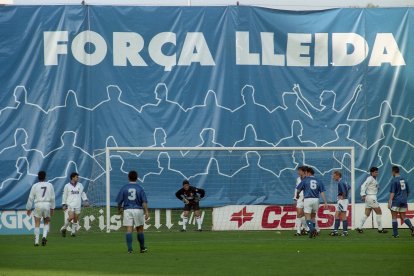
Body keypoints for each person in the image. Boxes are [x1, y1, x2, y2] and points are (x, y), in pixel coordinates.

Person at [116, 170, 149, 253]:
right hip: (138, 209)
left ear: (128, 177)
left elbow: (119, 201)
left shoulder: (124, 188)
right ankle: (142, 248)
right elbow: (144, 202)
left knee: (129, 229)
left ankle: (130, 249)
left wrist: (119, 209)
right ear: (137, 178)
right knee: (140, 229)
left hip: (127, 210)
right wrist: (147, 212)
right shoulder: (140, 188)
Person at [296, 167, 327, 238]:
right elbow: (322, 192)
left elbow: (298, 189)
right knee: (313, 217)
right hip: (316, 199)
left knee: (307, 217)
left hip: (307, 199)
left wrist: (297, 195)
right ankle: (313, 231)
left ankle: (312, 230)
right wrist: (325, 202)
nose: (305, 174)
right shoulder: (318, 180)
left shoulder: (305, 180)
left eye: (306, 173)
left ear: (309, 173)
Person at [26, 171, 55, 246]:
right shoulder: (50, 185)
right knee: (46, 222)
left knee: (37, 223)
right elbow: (53, 198)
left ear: (38, 177)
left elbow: (30, 198)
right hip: (47, 204)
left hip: (38, 204)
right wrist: (52, 208)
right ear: (45, 177)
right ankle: (44, 236)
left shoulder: (35, 186)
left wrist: (28, 208)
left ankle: (36, 241)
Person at [356, 167, 388, 234]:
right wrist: (362, 195)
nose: (377, 173)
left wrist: (377, 187)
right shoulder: (370, 178)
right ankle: (380, 229)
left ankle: (359, 227)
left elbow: (371, 187)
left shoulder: (374, 179)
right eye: (375, 172)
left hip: (369, 197)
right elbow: (363, 186)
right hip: (371, 197)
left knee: (366, 214)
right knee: (379, 212)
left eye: (377, 172)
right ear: (372, 172)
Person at [60, 172, 89, 237]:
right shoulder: (67, 186)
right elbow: (64, 195)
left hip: (78, 204)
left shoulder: (80, 185)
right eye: (76, 177)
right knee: (71, 217)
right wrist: (64, 204)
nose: (77, 178)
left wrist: (85, 200)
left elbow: (82, 193)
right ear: (73, 178)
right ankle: (64, 228)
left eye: (77, 177)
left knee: (76, 218)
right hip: (70, 204)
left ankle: (73, 232)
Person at [388, 166, 414, 238]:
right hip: (404, 200)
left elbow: (392, 192)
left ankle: (396, 234)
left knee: (394, 217)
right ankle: (412, 227)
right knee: (403, 216)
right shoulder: (404, 179)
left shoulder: (394, 180)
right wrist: (404, 198)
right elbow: (408, 192)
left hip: (396, 201)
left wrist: (389, 202)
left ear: (393, 172)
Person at [330, 171, 351, 236]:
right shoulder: (344, 181)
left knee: (343, 216)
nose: (333, 177)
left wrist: (343, 197)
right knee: (337, 215)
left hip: (343, 201)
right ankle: (335, 231)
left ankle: (345, 232)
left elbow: (343, 191)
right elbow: (349, 187)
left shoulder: (340, 182)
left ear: (338, 175)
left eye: (334, 176)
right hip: (344, 200)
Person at [293, 166, 309, 236]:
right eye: (298, 171)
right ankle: (298, 231)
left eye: (299, 171)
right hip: (299, 198)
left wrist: (306, 196)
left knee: (307, 215)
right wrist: (295, 198)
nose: (298, 172)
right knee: (299, 214)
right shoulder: (298, 179)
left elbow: (309, 189)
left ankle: (308, 229)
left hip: (307, 198)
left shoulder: (308, 179)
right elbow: (297, 189)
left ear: (304, 171)